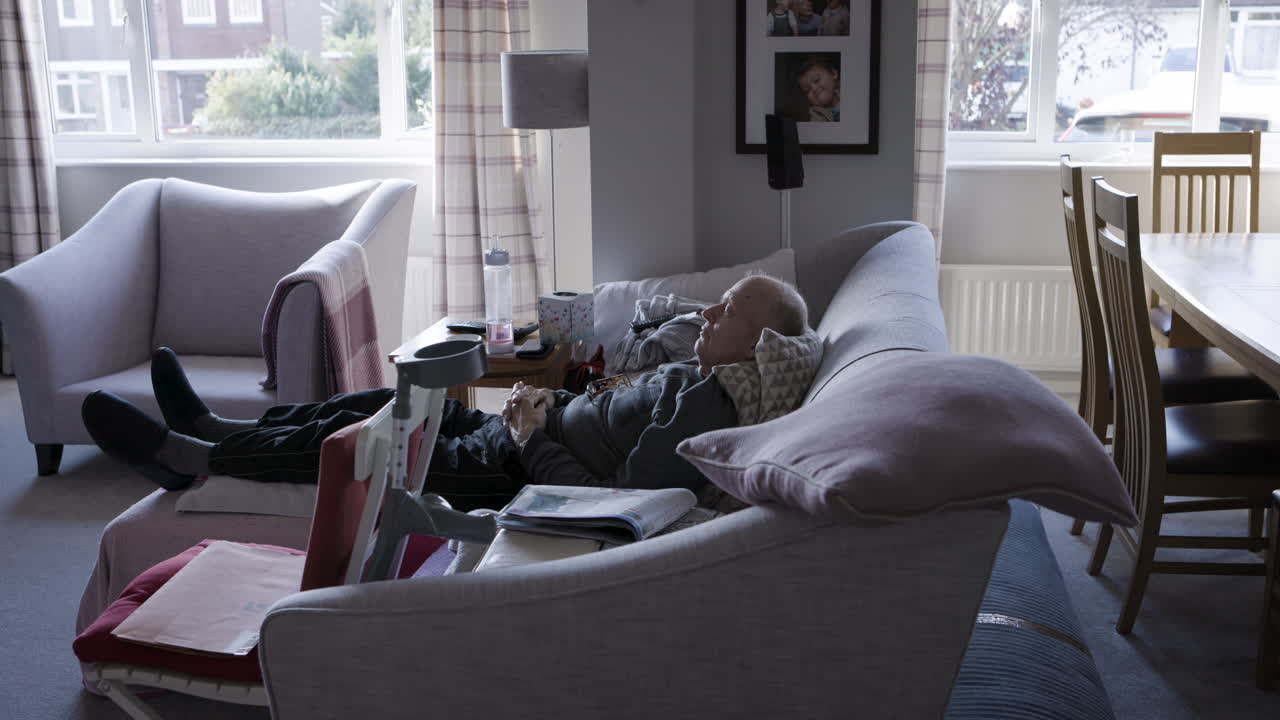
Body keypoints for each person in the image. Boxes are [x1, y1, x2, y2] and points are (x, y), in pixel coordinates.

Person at [82, 275, 811, 512]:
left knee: (364, 451)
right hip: (521, 434)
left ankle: (196, 458)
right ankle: (216, 425)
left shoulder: (711, 416)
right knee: (370, 405)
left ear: (758, 345)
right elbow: (608, 414)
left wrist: (529, 433)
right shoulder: (704, 376)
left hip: (513, 471)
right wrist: (545, 403)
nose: (707, 315)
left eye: (727, 313)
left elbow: (614, 496)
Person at [796, 56, 840, 122]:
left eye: (816, 80)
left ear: (833, 73)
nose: (814, 88)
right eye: (808, 90)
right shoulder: (816, 115)